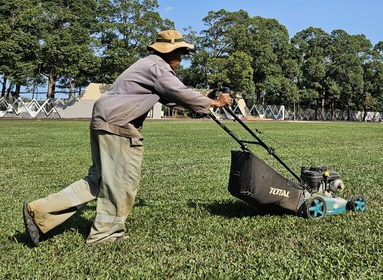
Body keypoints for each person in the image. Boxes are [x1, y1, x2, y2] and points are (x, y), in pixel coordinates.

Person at [22, 29, 232, 246]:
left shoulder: (148, 65)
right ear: (170, 51)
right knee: (122, 182)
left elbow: (171, 98)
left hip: (104, 119)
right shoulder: (157, 67)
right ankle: (105, 234)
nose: (182, 57)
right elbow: (179, 92)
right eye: (181, 52)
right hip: (118, 124)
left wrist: (201, 105)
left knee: (99, 180)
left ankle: (39, 212)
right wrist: (214, 103)